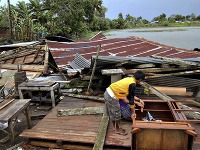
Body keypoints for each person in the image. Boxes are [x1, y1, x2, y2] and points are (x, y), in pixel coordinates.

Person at [104, 70, 145, 135]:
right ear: (139, 79)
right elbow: (128, 100)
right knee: (116, 113)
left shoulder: (129, 79)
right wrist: (133, 112)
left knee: (113, 112)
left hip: (108, 92)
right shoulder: (132, 84)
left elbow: (130, 95)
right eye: (140, 81)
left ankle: (115, 127)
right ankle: (117, 129)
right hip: (111, 96)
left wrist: (139, 100)